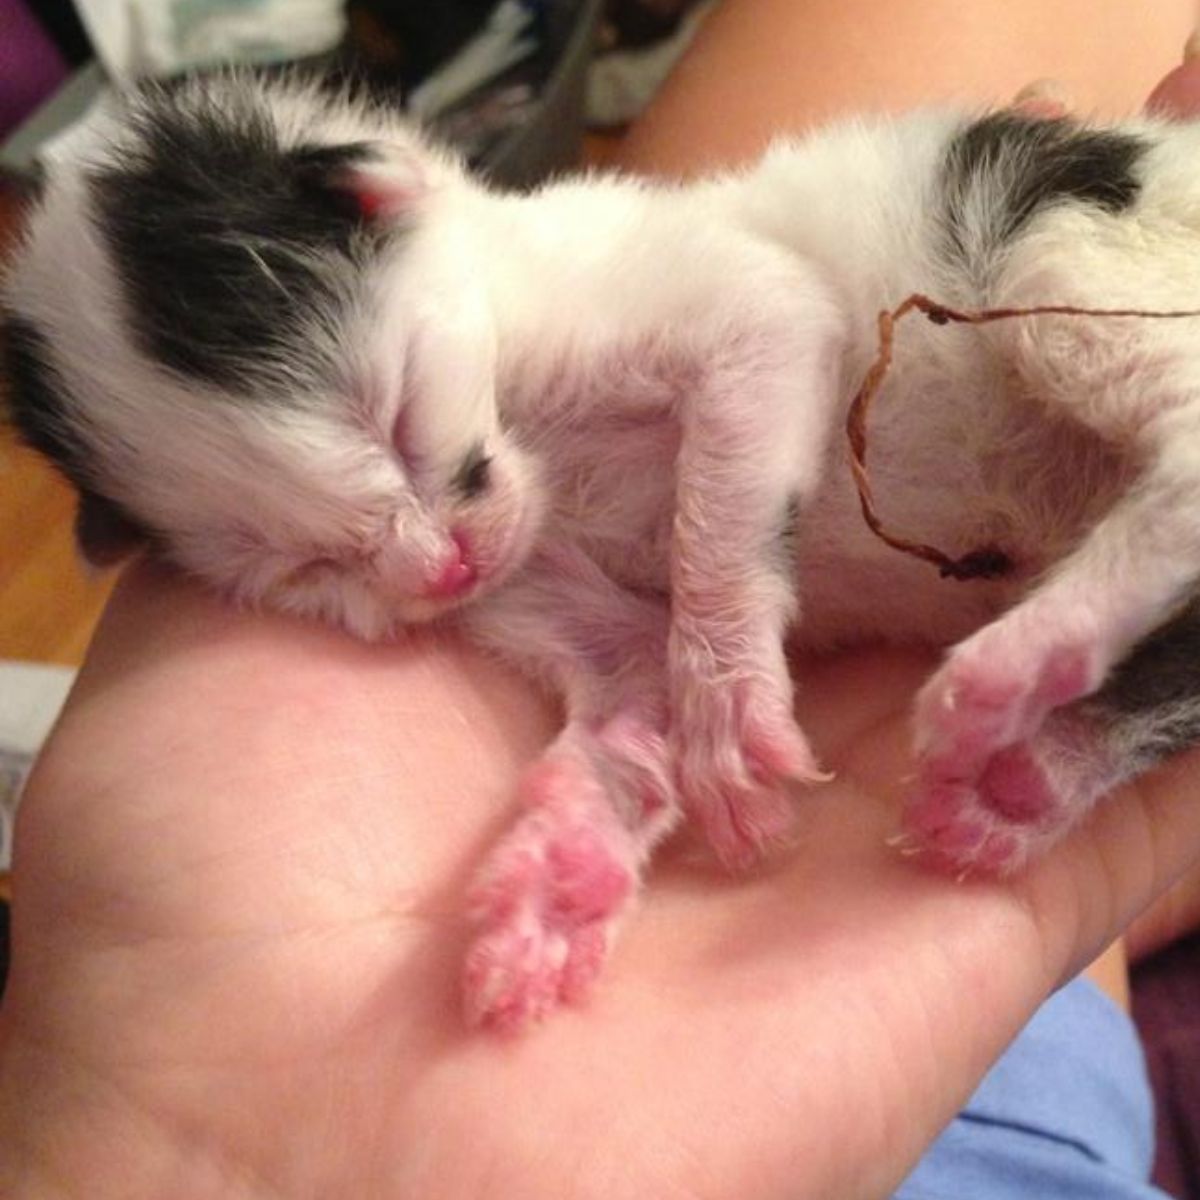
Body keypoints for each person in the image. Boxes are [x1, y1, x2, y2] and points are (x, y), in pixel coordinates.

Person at [3, 2, 1200, 1195]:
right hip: (996, 577)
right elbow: (634, 679)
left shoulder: (559, 271)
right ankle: (1124, 693)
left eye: (396, 419)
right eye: (299, 564)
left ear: (390, 195)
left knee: (1055, 259)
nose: (430, 565)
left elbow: (765, 319)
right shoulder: (450, 551)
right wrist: (589, 831)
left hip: (968, 277)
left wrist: (727, 622)